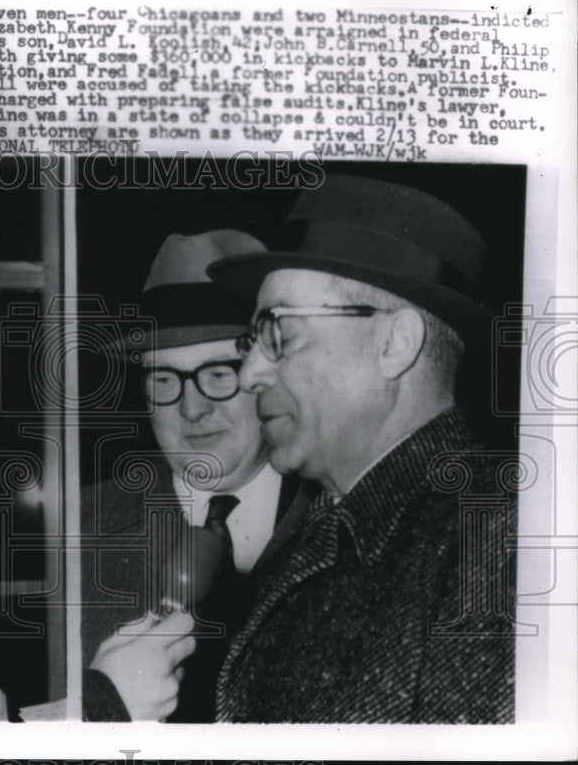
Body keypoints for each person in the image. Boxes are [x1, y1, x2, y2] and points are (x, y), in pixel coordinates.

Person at [207, 174, 516, 723]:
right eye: (250, 340)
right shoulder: (316, 534)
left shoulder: (501, 545)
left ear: (394, 345)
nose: (250, 372)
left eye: (278, 330)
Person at [82, 230, 299, 722]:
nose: (192, 408)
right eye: (163, 379)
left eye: (219, 374)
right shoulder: (79, 527)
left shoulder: (346, 516)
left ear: (267, 377)